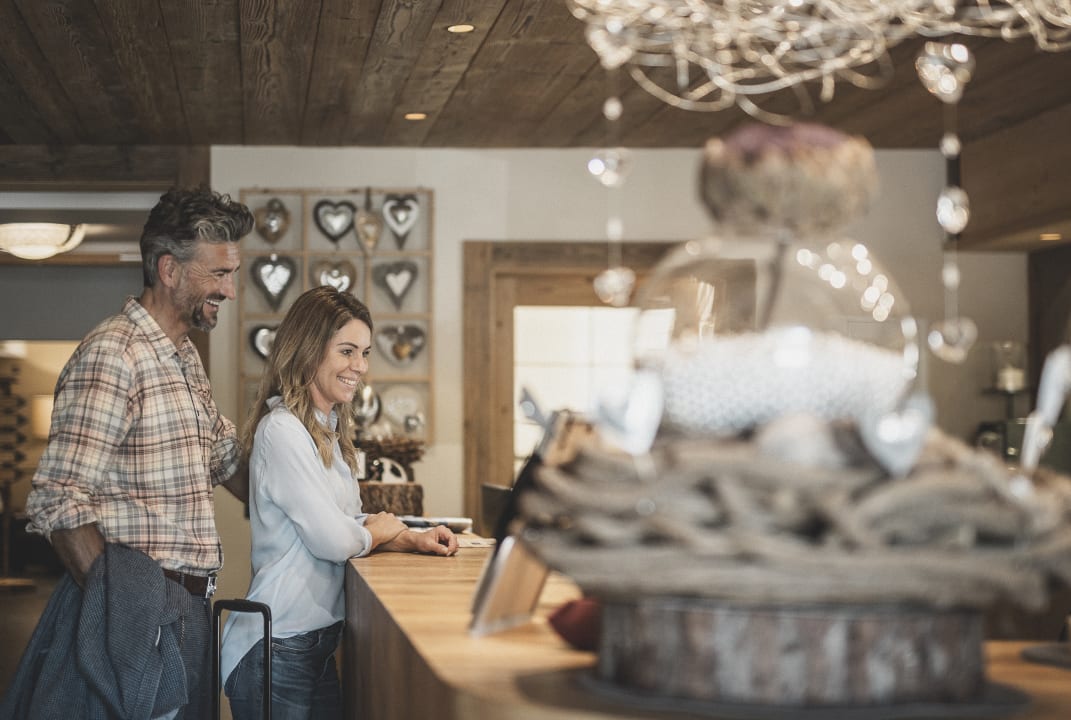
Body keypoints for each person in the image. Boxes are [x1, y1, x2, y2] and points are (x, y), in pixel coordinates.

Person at [0, 187, 253, 719]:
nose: (230, 291)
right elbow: (59, 500)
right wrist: (128, 617)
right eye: (219, 274)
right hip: (144, 615)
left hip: (189, 611)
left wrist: (307, 423)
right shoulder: (114, 355)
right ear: (169, 270)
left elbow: (228, 460)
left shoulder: (183, 357)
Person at [221, 285, 458, 720]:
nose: (360, 367)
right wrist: (378, 530)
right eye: (347, 351)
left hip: (314, 643)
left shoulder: (325, 433)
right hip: (277, 644)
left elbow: (345, 521)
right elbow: (332, 539)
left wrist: (408, 537)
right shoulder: (283, 431)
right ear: (309, 349)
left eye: (365, 353)